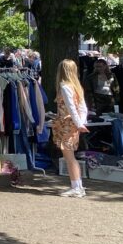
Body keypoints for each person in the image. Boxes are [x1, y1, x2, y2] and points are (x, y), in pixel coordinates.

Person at [54, 59, 89, 197]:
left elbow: (71, 108)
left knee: (69, 157)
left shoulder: (64, 86)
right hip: (72, 124)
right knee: (70, 157)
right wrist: (81, 123)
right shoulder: (76, 86)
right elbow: (83, 107)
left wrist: (79, 124)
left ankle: (76, 187)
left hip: (66, 125)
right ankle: (78, 186)